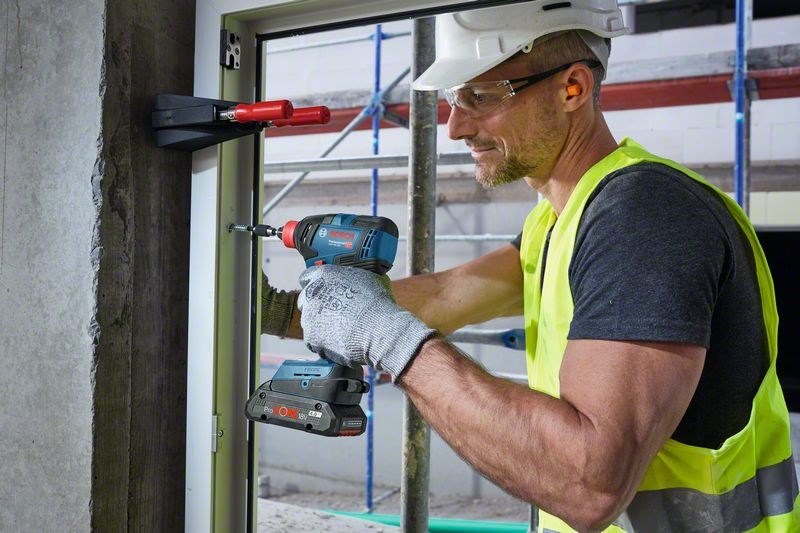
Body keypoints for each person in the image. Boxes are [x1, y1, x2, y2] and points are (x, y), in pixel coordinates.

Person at [261, 1, 799, 530]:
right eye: (453, 99)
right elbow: (448, 295)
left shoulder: (644, 214)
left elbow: (590, 484)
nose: (456, 127)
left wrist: (388, 339)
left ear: (572, 88)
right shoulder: (560, 219)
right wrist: (284, 311)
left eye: (480, 96)